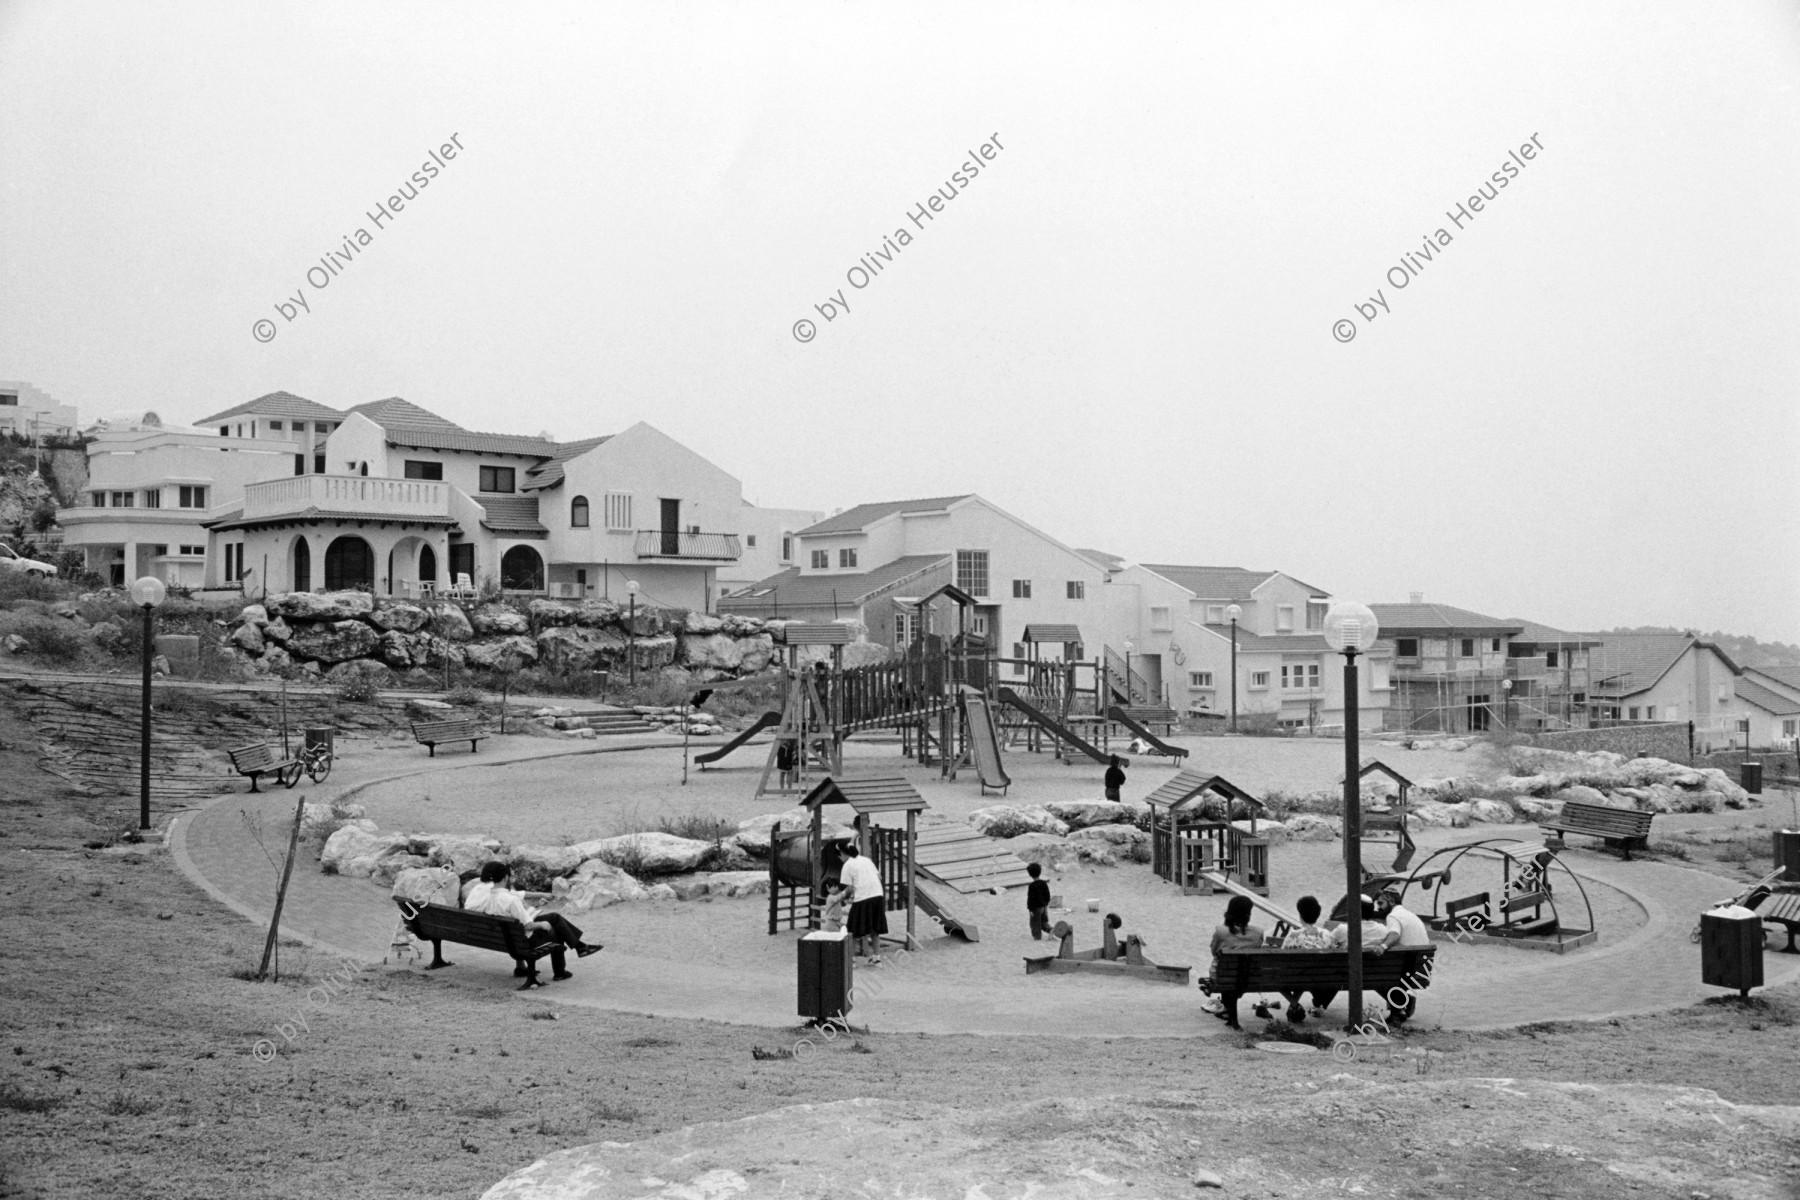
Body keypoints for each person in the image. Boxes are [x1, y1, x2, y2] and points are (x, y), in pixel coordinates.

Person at [464, 861, 600, 986]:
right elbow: (527, 924)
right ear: (505, 878)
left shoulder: (488, 897)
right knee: (556, 928)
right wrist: (541, 924)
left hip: (499, 937)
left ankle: (579, 947)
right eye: (510, 877)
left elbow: (511, 914)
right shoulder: (508, 899)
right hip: (523, 941)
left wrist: (534, 907)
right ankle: (561, 970)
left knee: (554, 918)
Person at [1202, 894, 1266, 1028]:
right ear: (1248, 914)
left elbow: (1214, 952)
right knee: (1234, 972)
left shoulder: (1221, 931)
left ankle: (1230, 1014)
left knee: (1226, 972)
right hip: (1250, 977)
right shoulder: (1258, 933)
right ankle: (1229, 1013)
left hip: (1224, 976)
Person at [1371, 892, 1433, 1023]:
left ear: (1391, 902)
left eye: (1381, 903)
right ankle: (1402, 1005)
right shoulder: (1409, 915)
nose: (1378, 908)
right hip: (1420, 967)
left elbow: (1394, 934)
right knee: (1389, 971)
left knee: (1372, 974)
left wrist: (1382, 946)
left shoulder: (1393, 916)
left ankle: (1398, 1011)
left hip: (1406, 968)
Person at [1278, 894, 1335, 1021]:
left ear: (1300, 914)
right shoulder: (1327, 934)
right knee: (1306, 972)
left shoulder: (1293, 934)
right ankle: (1309, 1004)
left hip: (1298, 976)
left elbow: (1282, 956)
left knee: (1289, 974)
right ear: (1317, 915)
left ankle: (1294, 1003)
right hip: (1321, 978)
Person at [838, 841, 887, 964]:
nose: (840, 859)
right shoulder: (866, 860)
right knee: (875, 929)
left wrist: (842, 897)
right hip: (878, 894)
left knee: (853, 929)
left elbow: (848, 889)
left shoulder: (847, 865)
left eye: (839, 856)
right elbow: (879, 876)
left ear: (843, 854)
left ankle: (852, 960)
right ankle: (876, 958)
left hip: (863, 898)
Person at [1025, 862, 1053, 940]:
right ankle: (1051, 930)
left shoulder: (1032, 886)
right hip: (1044, 906)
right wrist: (1046, 903)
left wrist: (1030, 909)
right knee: (1044, 922)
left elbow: (1030, 898)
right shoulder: (1044, 883)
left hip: (1036, 908)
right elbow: (1047, 895)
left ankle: (1037, 937)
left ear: (1030, 874)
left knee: (1035, 924)